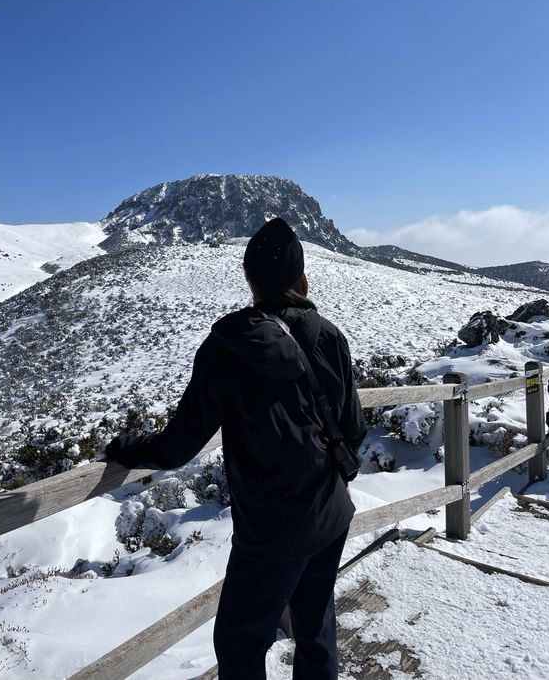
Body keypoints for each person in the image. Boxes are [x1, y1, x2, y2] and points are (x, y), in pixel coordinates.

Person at [105, 217, 367, 680]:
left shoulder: (227, 347)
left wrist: (123, 447)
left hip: (270, 528)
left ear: (249, 280)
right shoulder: (329, 335)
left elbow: (178, 446)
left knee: (240, 642)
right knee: (315, 626)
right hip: (330, 512)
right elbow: (354, 428)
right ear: (301, 279)